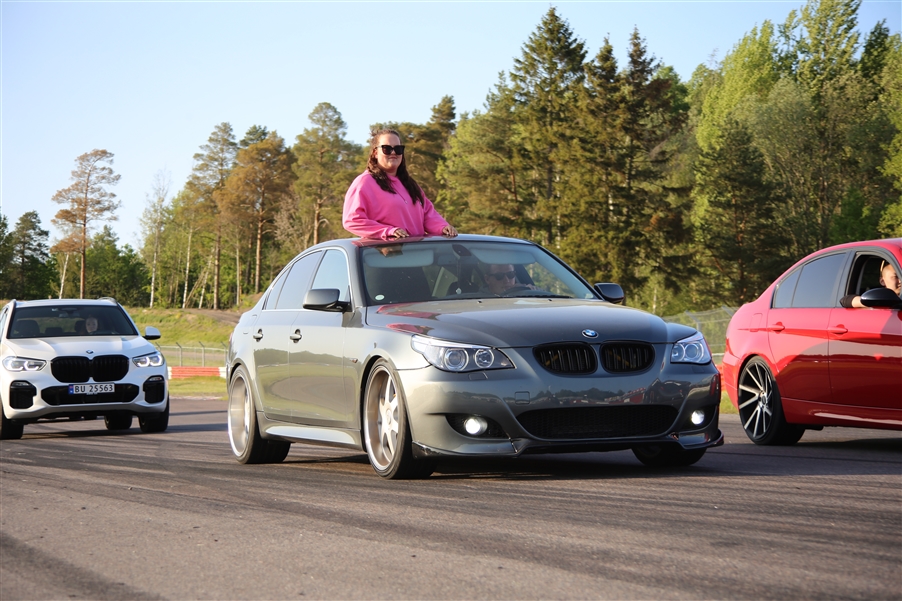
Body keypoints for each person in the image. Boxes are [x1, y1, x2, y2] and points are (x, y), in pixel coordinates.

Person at [343, 128, 458, 240]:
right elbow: (352, 221)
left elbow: (428, 214)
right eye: (387, 149)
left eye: (398, 149)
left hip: (416, 251)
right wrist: (387, 231)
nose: (393, 152)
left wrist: (442, 227)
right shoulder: (365, 182)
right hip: (384, 251)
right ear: (375, 153)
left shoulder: (410, 184)